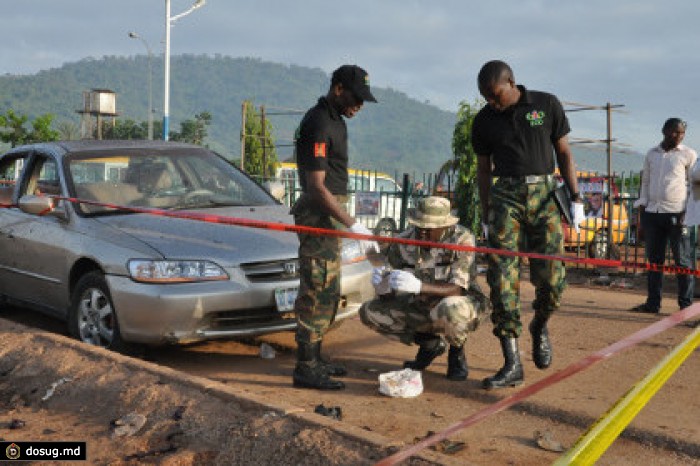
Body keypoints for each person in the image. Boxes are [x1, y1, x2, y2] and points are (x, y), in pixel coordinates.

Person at [471, 60, 584, 390]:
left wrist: (575, 196)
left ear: (511, 83)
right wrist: (486, 212)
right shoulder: (484, 121)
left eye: (495, 95)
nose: (492, 103)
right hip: (505, 197)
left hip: (545, 197)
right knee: (502, 280)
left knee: (553, 282)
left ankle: (539, 325)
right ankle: (512, 362)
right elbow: (482, 169)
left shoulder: (546, 104)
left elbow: (563, 151)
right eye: (485, 98)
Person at [291, 64, 379, 390]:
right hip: (319, 215)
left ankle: (316, 358)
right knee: (316, 288)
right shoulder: (318, 122)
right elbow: (315, 187)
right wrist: (353, 224)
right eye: (355, 98)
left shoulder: (335, 121)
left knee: (329, 288)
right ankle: (305, 367)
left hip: (330, 213)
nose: (359, 106)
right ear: (338, 89)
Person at [359, 196, 490, 380]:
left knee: (451, 309)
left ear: (445, 226)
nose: (422, 232)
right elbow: (390, 292)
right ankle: (430, 345)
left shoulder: (462, 239)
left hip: (461, 303)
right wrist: (383, 288)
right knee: (369, 311)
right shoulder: (403, 241)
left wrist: (419, 286)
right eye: (419, 226)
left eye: (429, 229)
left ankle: (456, 352)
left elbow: (457, 288)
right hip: (420, 304)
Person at [631, 118, 696, 314]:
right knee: (654, 261)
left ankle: (685, 306)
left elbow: (695, 186)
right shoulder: (652, 154)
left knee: (682, 262)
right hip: (653, 213)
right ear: (664, 131)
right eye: (675, 132)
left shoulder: (688, 154)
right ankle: (653, 304)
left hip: (678, 214)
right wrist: (642, 216)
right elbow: (645, 184)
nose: (678, 136)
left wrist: (689, 212)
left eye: (682, 133)